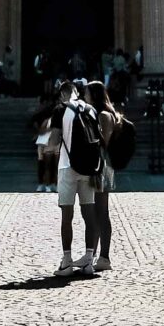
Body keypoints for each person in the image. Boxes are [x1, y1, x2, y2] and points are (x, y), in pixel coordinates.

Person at [55, 79, 114, 275]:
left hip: (75, 167)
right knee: (91, 214)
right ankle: (90, 258)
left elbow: (55, 140)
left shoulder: (63, 110)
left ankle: (69, 260)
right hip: (91, 167)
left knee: (70, 216)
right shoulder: (90, 110)